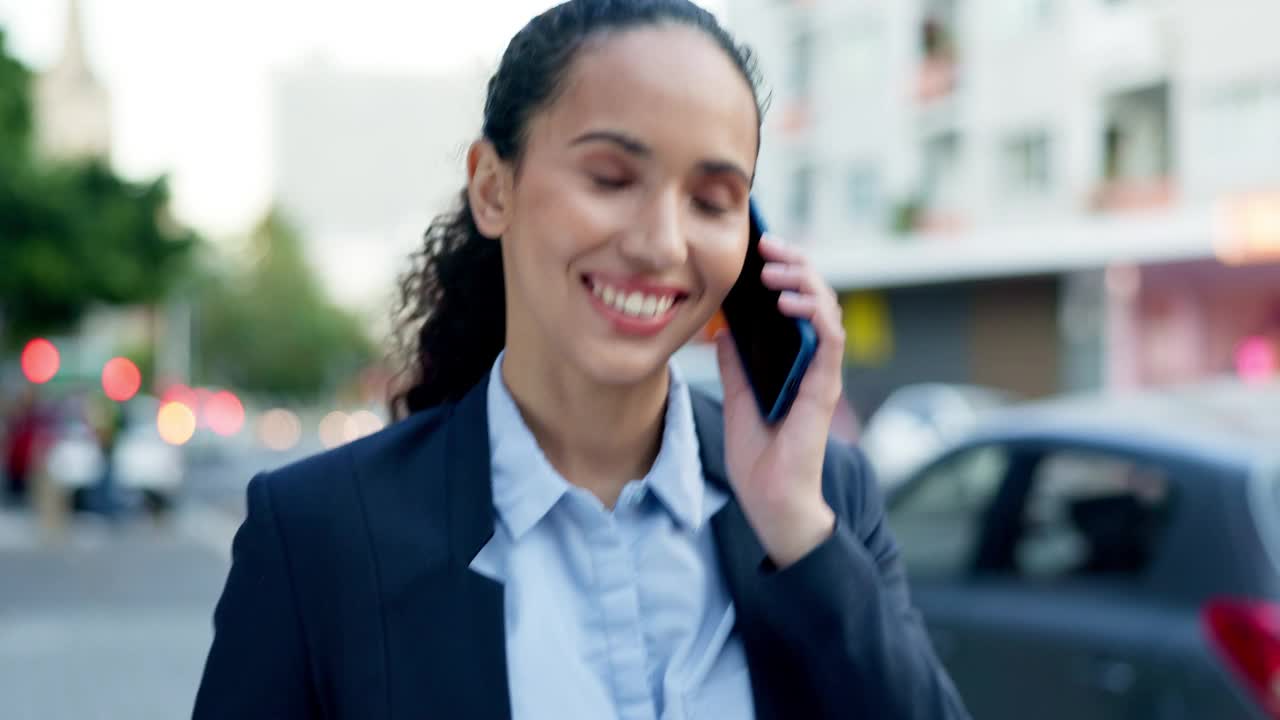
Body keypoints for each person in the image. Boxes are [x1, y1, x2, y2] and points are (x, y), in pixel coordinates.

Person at [193, 1, 970, 718]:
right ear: (493, 189)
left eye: (712, 199)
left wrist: (796, 531)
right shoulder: (317, 532)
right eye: (611, 178)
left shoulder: (824, 501)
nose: (663, 243)